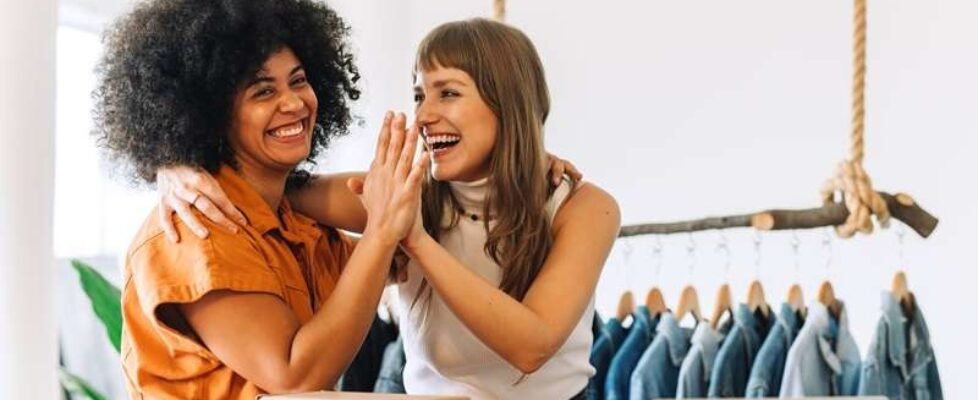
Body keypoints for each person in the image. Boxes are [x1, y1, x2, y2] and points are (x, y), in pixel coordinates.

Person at [159, 18, 620, 399]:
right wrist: (176, 162)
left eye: (448, 93)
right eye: (420, 95)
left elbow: (532, 347)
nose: (423, 116)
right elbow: (266, 185)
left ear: (509, 102)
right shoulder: (405, 194)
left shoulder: (584, 207)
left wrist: (413, 238)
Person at [93, 0, 427, 398]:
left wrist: (290, 191)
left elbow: (417, 220)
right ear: (212, 114)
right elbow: (293, 377)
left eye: (298, 81)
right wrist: (381, 235)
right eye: (263, 91)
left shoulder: (288, 218)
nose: (294, 103)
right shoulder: (197, 229)